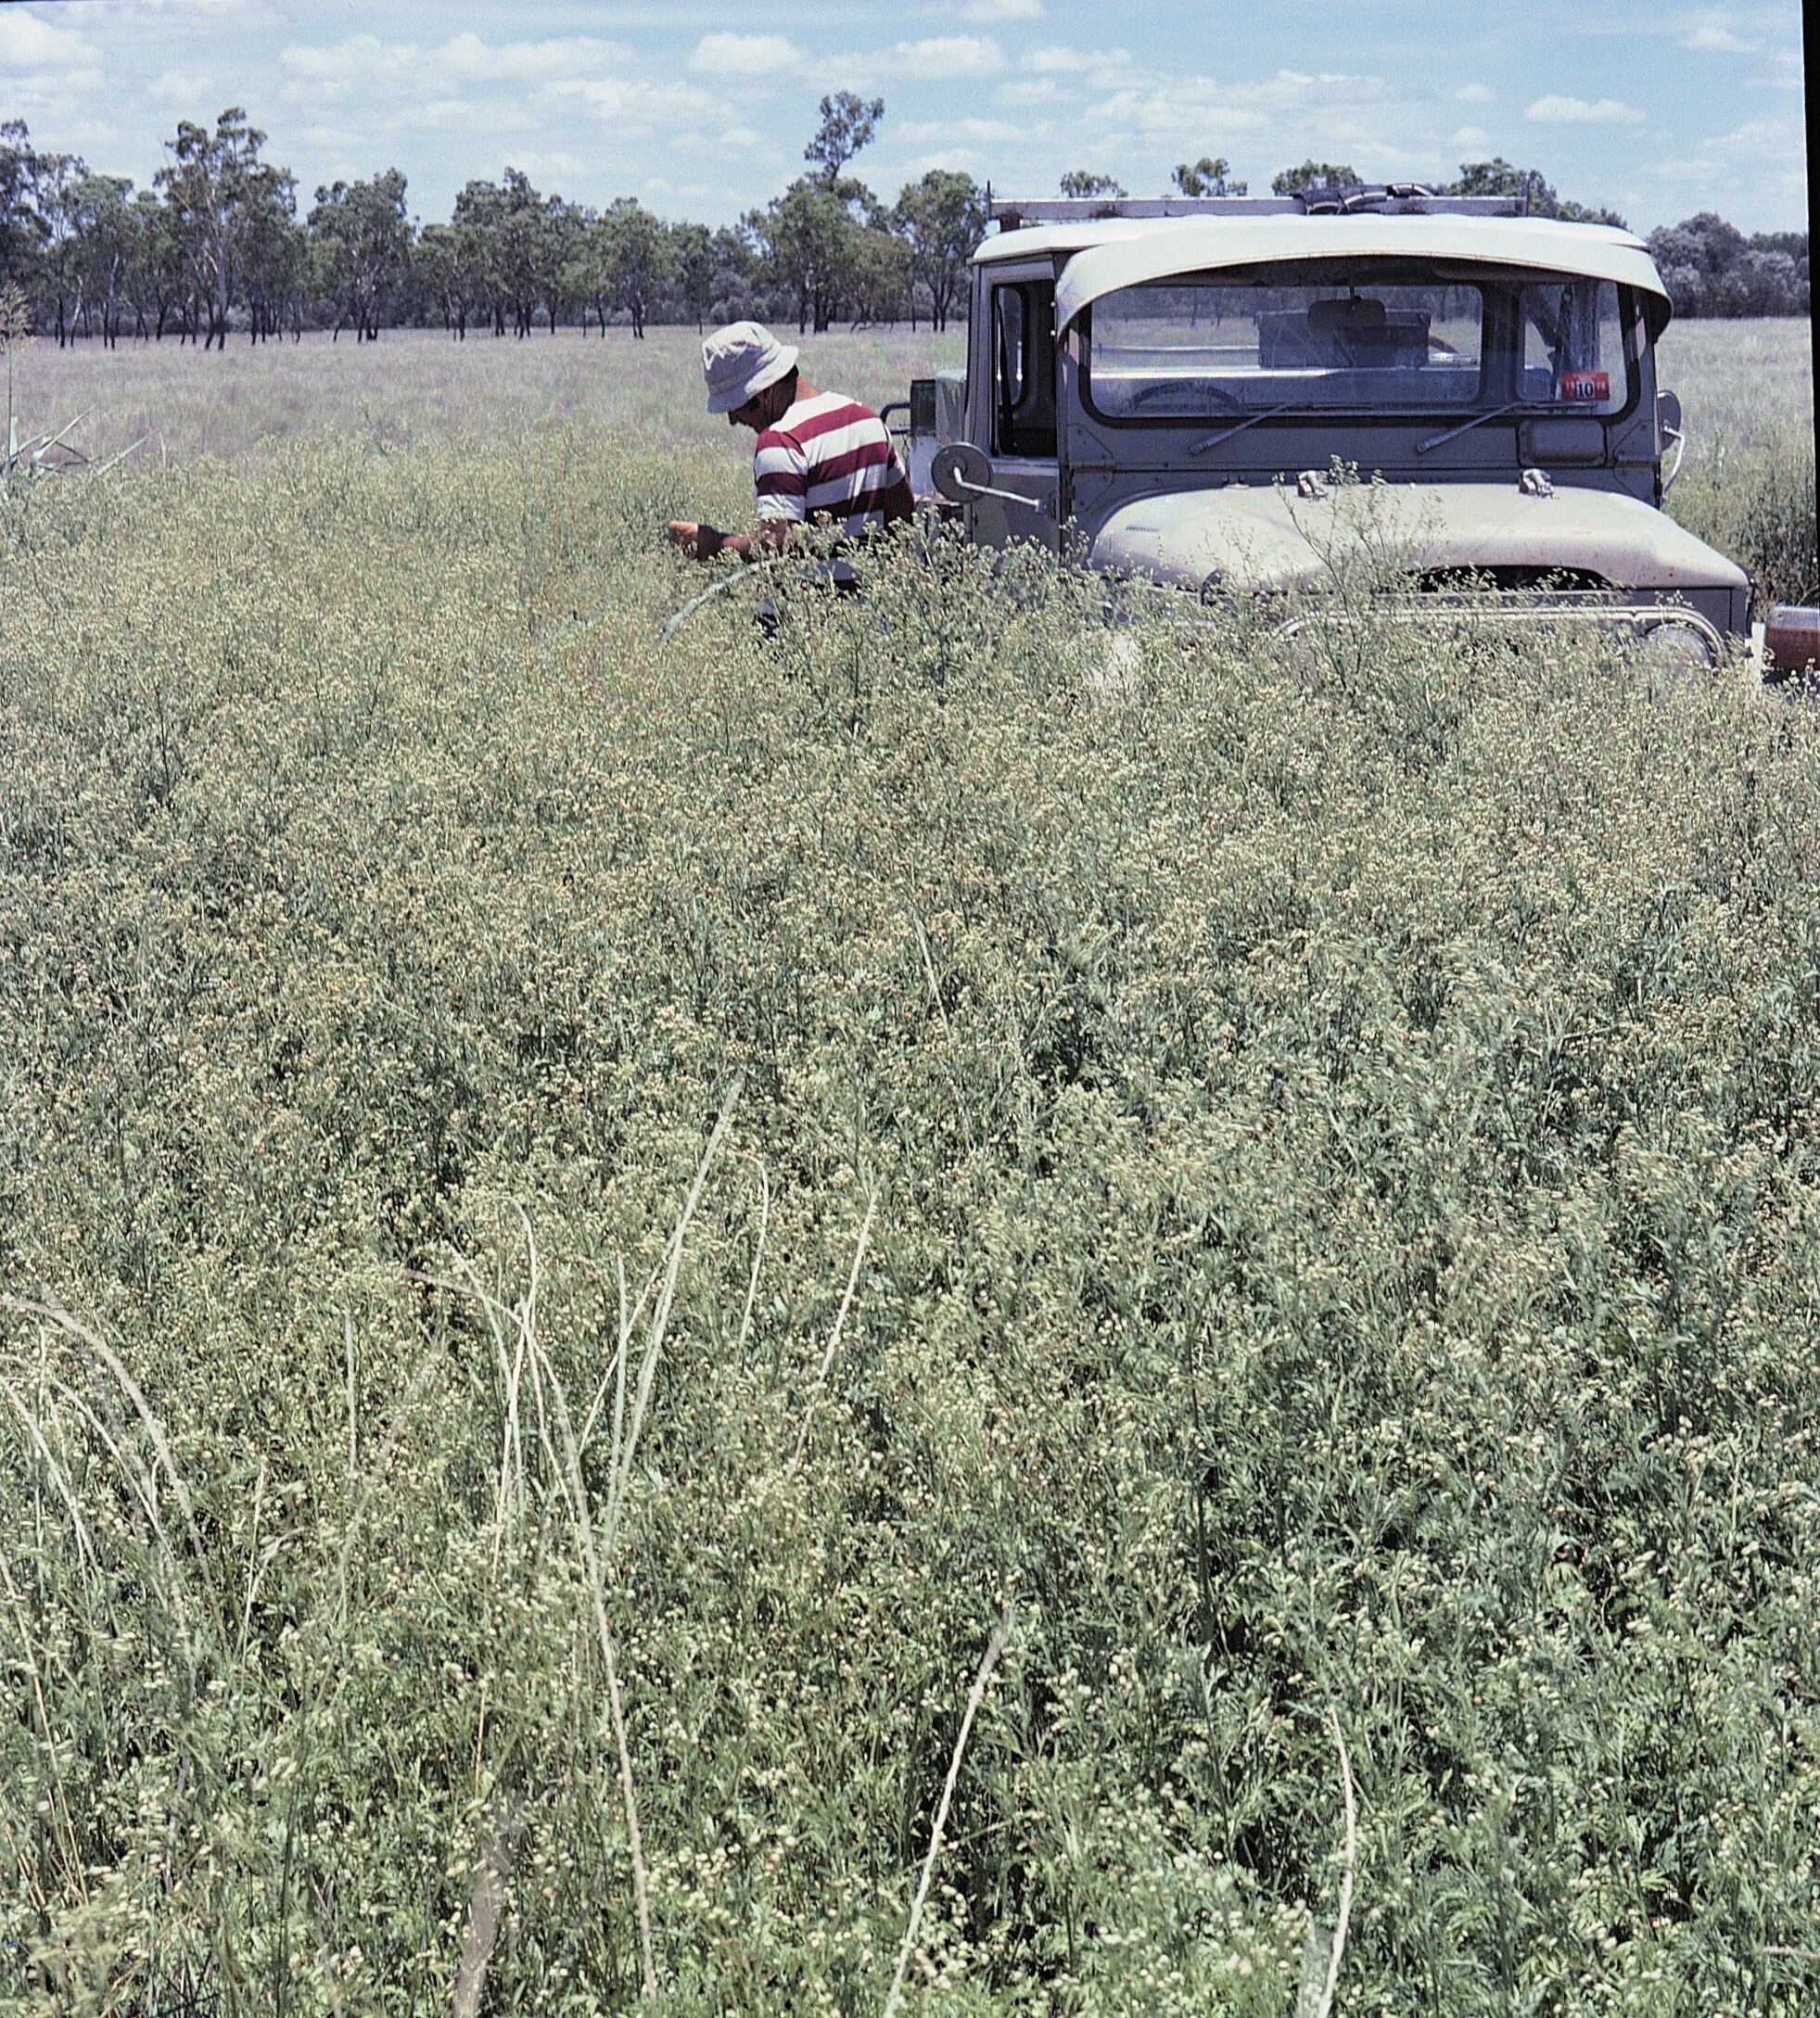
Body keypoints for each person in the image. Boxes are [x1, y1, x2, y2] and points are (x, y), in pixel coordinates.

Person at [667, 321, 912, 575]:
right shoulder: (869, 421)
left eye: (734, 406)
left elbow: (773, 547)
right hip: (872, 609)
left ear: (763, 393)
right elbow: (904, 514)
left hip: (801, 610)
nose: (733, 420)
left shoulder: (781, 441)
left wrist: (713, 544)